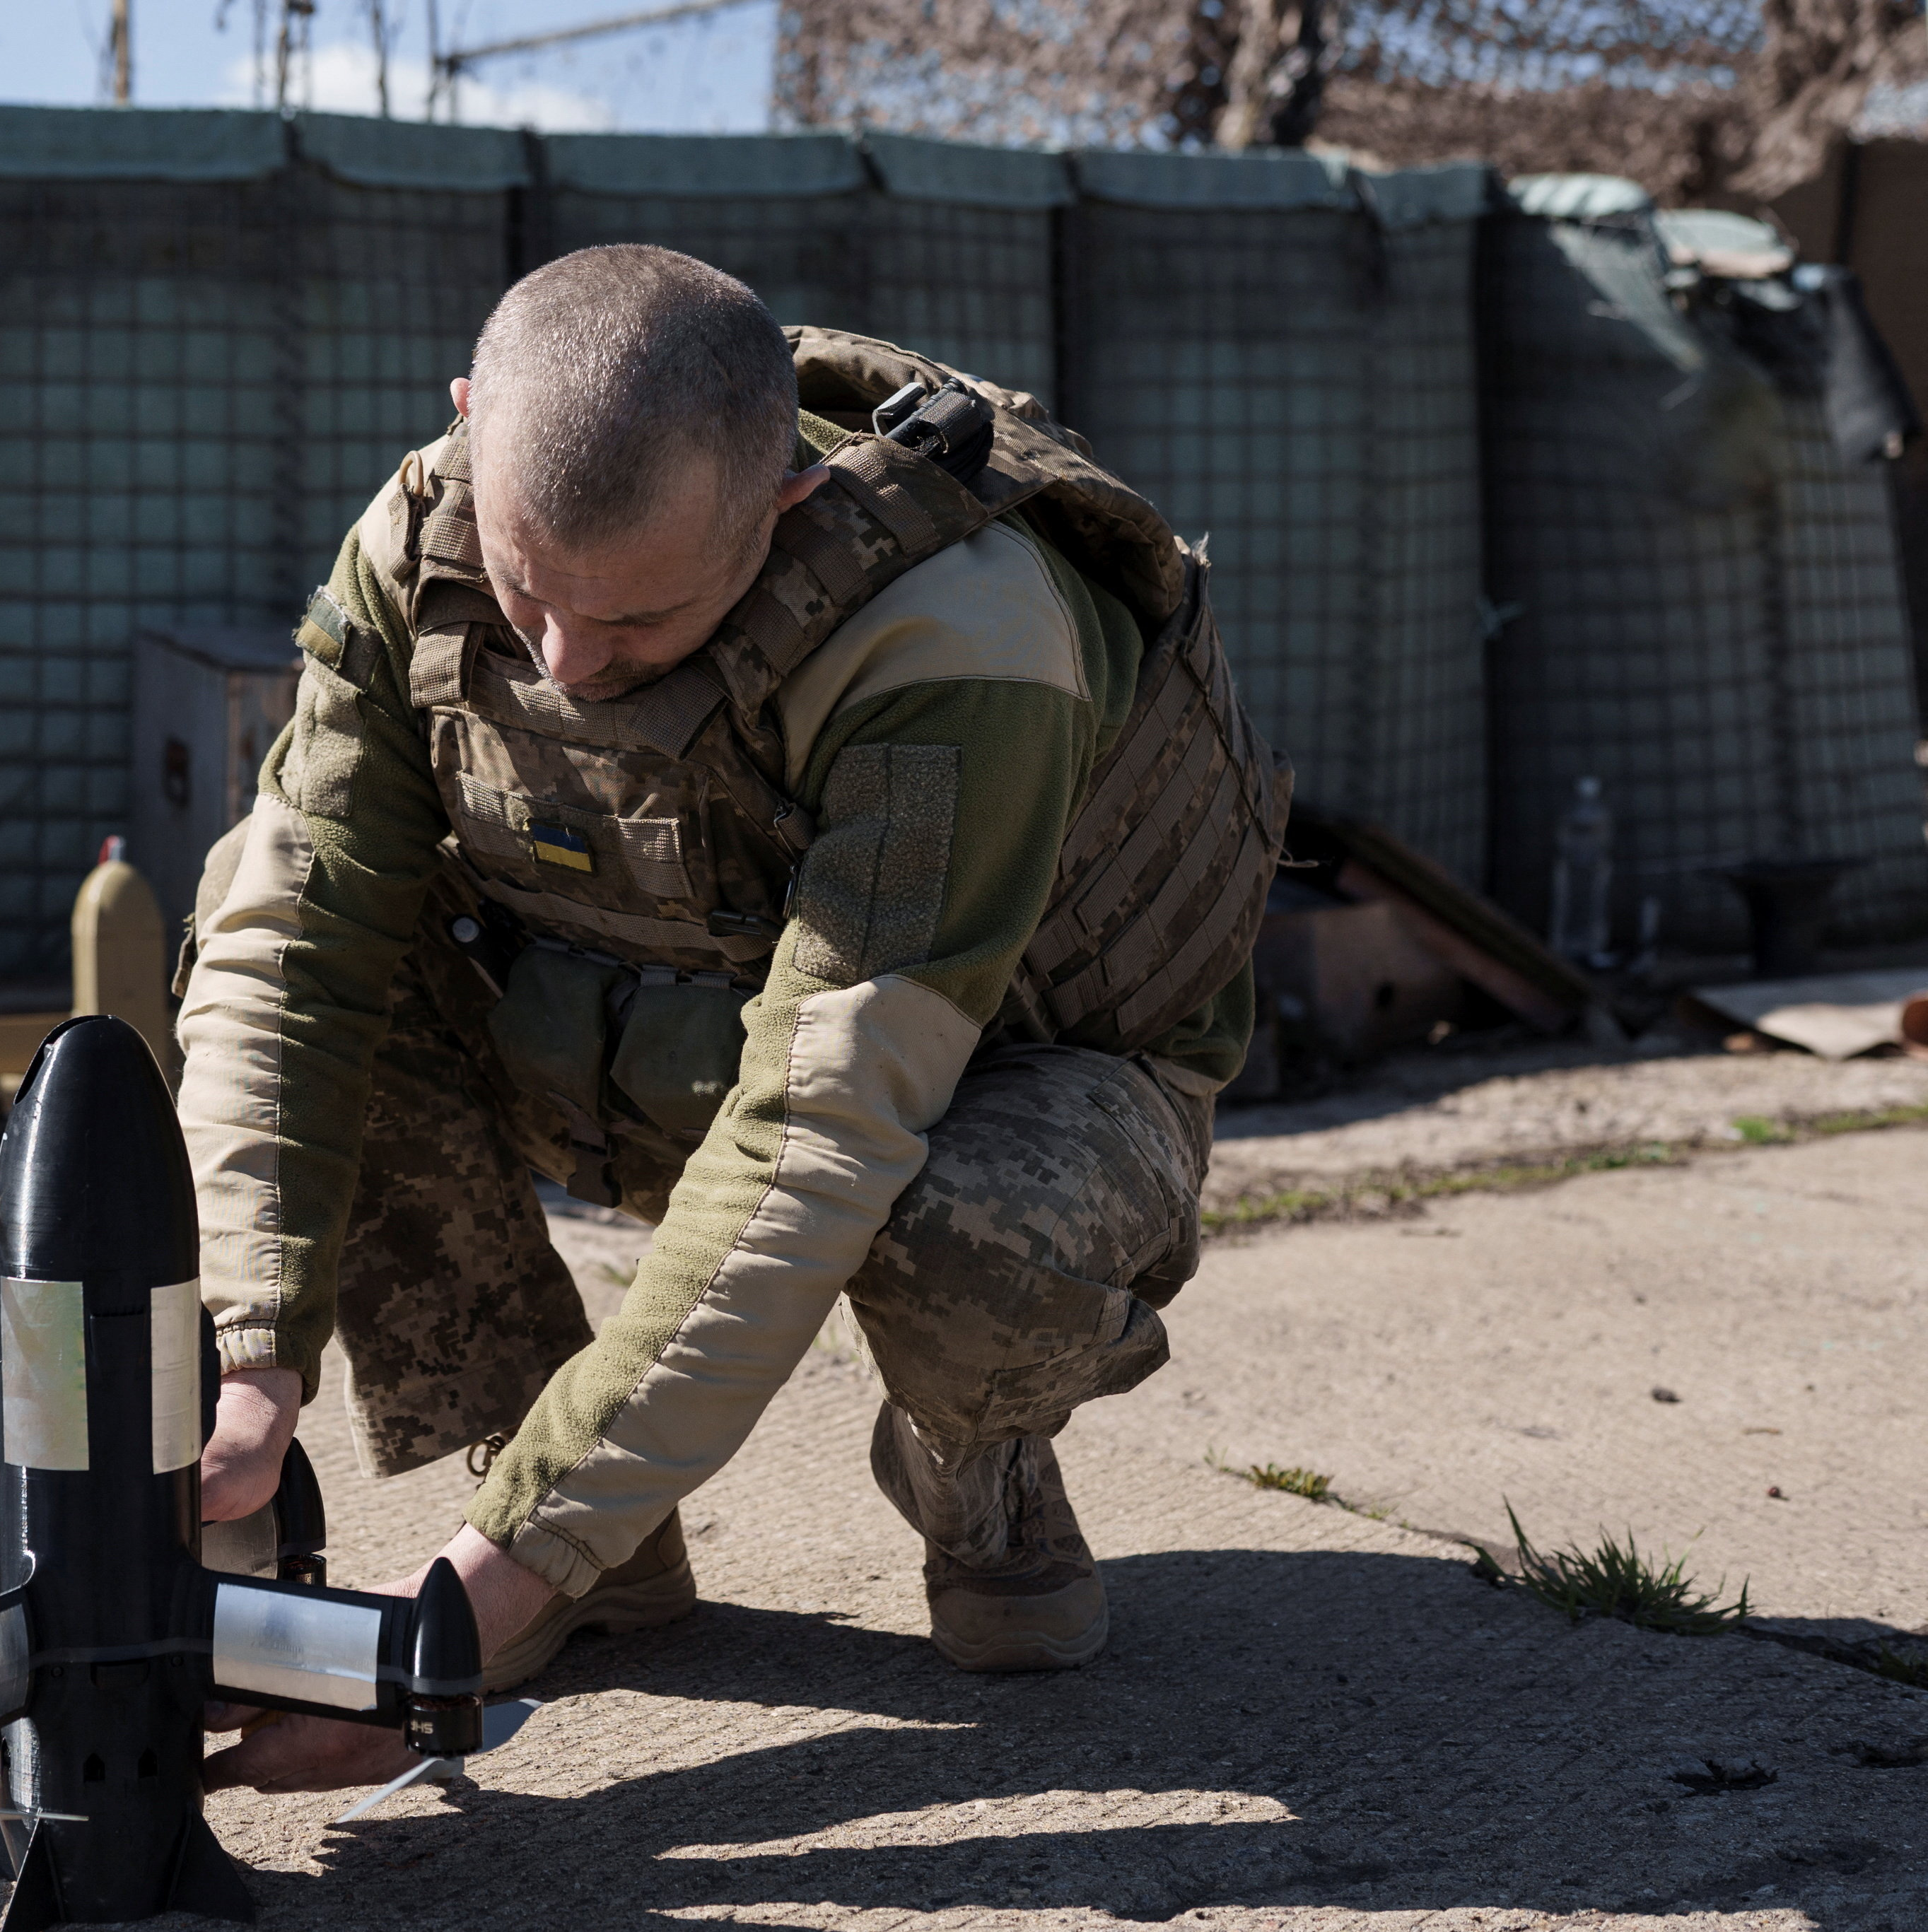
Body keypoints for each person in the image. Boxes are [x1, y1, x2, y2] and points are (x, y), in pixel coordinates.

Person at [173, 245, 1287, 1793]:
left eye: (635, 623)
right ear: (465, 417)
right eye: (526, 588)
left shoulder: (956, 639)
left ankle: (977, 1467)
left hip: (1000, 1086)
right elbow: (291, 941)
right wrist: (248, 1357)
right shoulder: (420, 529)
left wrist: (485, 1584)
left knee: (973, 1229)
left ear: (777, 516)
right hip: (641, 1031)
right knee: (286, 909)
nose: (563, 660)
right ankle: (564, 1494)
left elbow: (820, 1129)